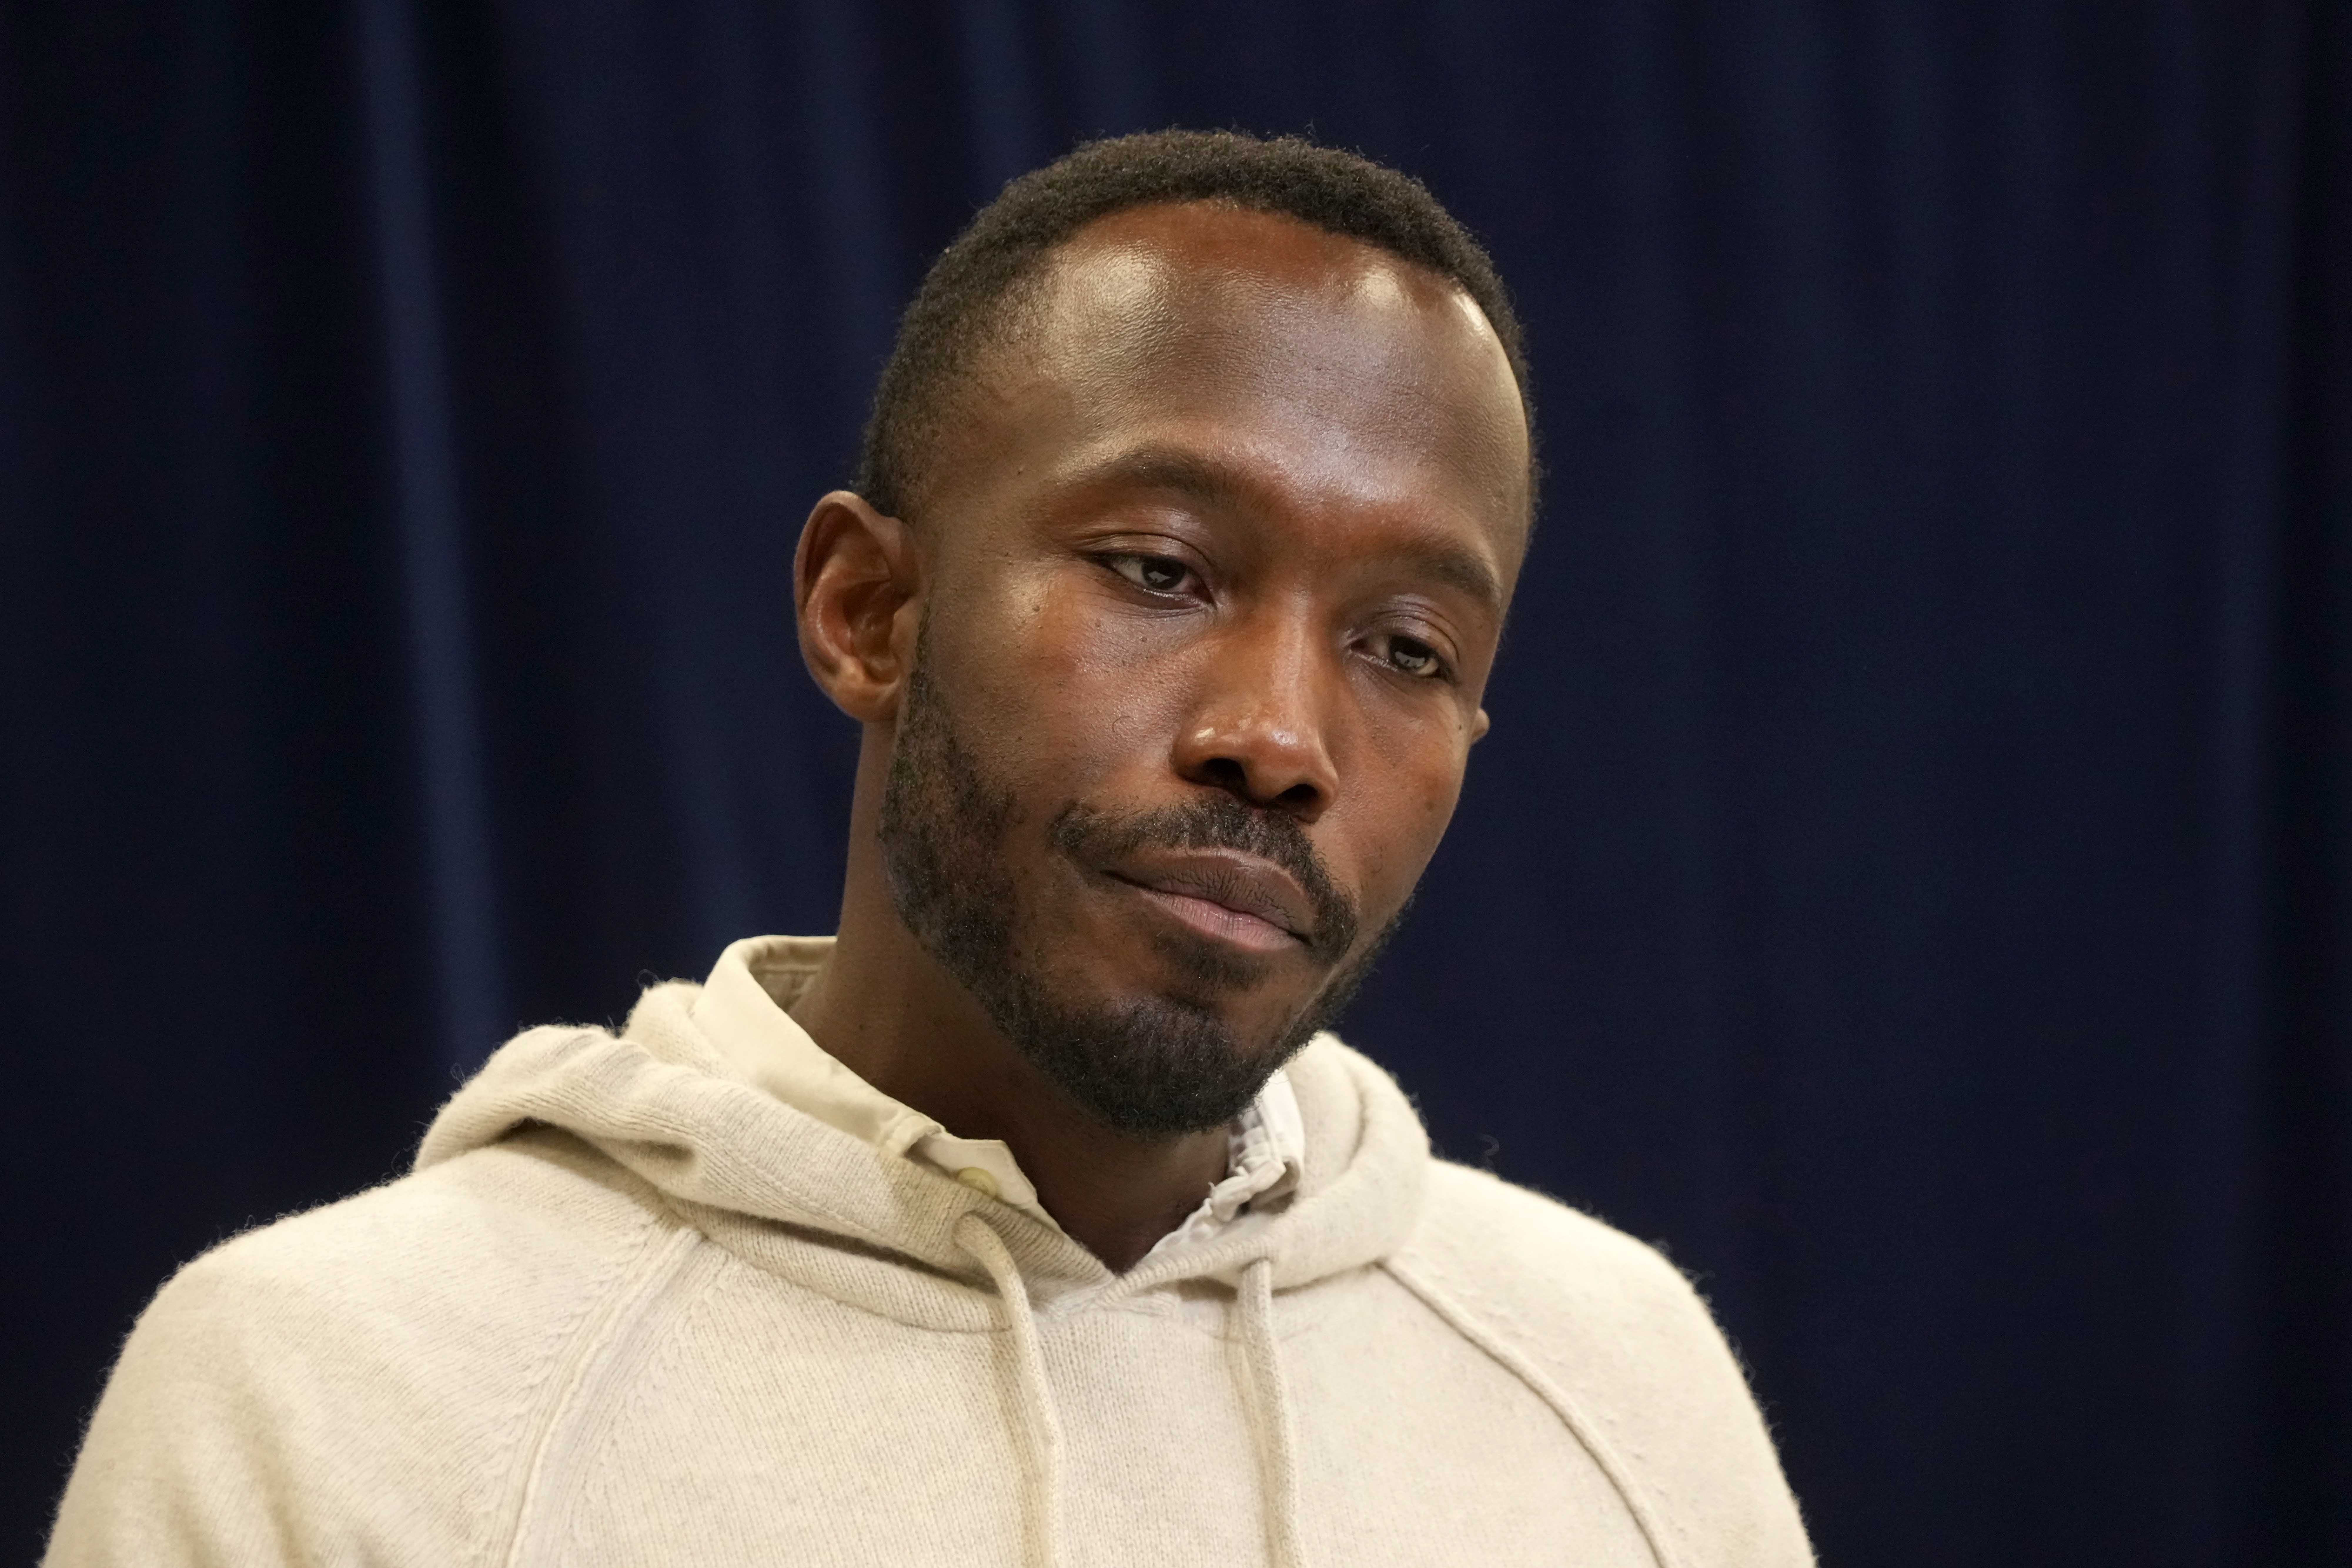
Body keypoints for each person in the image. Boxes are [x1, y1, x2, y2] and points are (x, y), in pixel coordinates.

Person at [47, 129, 1811, 1567]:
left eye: (1406, 649)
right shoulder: (329, 1396)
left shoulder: (1616, 1382)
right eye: (1160, 570)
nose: (1277, 739)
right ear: (867, 607)